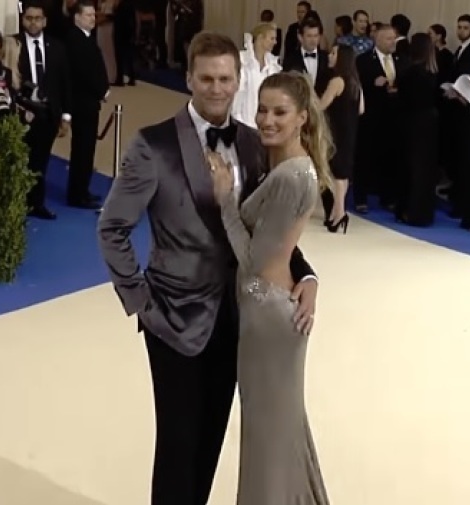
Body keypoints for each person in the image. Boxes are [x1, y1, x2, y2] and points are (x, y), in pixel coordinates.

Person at [96, 31, 319, 505]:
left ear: (238, 80)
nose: (217, 88)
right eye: (207, 78)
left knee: (211, 446)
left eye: (225, 78)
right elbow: (111, 227)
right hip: (173, 319)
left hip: (240, 321)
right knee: (177, 449)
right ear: (189, 79)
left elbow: (270, 229)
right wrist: (141, 303)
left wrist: (308, 276)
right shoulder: (152, 145)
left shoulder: (258, 144)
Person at [206, 71, 331, 504]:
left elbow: (256, 262)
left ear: (302, 118)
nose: (267, 119)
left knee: (268, 443)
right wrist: (310, 277)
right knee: (277, 437)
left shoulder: (292, 175)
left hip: (267, 318)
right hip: (269, 313)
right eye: (262, 109)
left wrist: (224, 202)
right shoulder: (286, 165)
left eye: (280, 112)